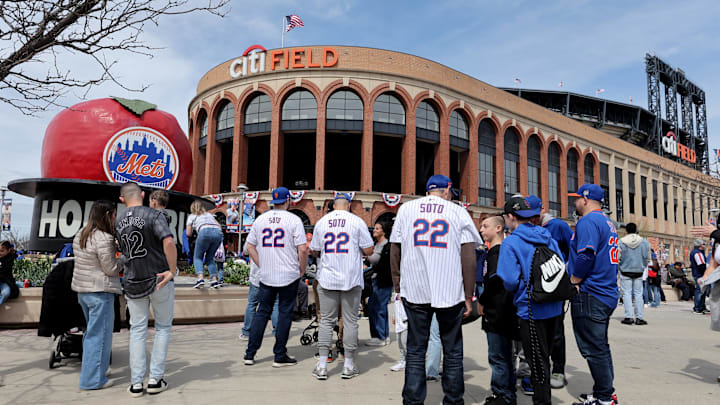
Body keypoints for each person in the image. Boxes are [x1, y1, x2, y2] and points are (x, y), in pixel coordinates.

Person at [389, 174, 482, 405]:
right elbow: (469, 256)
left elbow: (395, 250)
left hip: (415, 288)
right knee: (452, 349)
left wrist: (398, 283)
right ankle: (453, 400)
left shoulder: (407, 209)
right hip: (448, 289)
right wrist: (469, 294)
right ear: (447, 189)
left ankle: (412, 400)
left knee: (415, 349)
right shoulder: (457, 211)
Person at [497, 196, 563, 405]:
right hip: (553, 305)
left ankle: (542, 402)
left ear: (510, 217)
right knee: (545, 358)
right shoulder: (548, 237)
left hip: (530, 308)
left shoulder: (512, 242)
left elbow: (507, 279)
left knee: (537, 363)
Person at [116, 182, 177, 397]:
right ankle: (155, 379)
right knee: (162, 328)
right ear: (142, 195)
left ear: (122, 199)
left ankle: (136, 383)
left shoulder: (119, 221)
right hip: (158, 277)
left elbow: (122, 254)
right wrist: (172, 269)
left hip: (133, 281)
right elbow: (168, 241)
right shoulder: (154, 215)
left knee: (137, 331)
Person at [309, 193, 374, 380]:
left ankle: (322, 365)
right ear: (349, 204)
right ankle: (348, 365)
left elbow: (315, 249)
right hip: (351, 278)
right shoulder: (357, 221)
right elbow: (369, 250)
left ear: (332, 205)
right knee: (350, 321)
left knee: (326, 322)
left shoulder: (322, 222)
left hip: (328, 277)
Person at [244, 187, 308, 367]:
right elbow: (302, 249)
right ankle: (279, 354)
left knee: (262, 312)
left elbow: (249, 247)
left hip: (267, 274)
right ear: (288, 200)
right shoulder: (294, 220)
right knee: (285, 312)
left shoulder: (261, 219)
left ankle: (250, 353)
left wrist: (262, 264)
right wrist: (301, 270)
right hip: (288, 273)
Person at [566, 184, 619, 405]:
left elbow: (586, 254)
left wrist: (574, 280)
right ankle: (604, 392)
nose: (575, 202)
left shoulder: (588, 221)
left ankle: (605, 398)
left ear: (586, 200)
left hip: (591, 292)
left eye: (577, 199)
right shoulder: (608, 222)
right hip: (605, 291)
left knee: (593, 348)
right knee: (600, 347)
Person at [71, 200, 121, 390]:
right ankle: (92, 380)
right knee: (99, 336)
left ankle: (96, 371)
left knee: (92, 334)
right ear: (108, 215)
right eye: (115, 215)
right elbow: (110, 269)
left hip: (83, 291)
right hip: (101, 291)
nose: (116, 219)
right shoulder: (104, 238)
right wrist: (122, 258)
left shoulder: (81, 235)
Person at [532, 196, 573, 389]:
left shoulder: (557, 226)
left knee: (556, 330)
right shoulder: (527, 230)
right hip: (535, 288)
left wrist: (569, 276)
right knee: (536, 331)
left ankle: (558, 370)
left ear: (541, 211)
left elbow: (572, 250)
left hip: (554, 285)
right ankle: (539, 369)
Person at [478, 215, 518, 405]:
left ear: (499, 228)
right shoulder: (495, 251)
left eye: (486, 226)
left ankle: (501, 395)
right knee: (505, 356)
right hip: (502, 312)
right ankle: (507, 394)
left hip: (498, 313)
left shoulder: (498, 253)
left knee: (498, 356)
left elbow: (496, 282)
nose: (482, 230)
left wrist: (482, 301)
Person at [238, 243, 279, 340]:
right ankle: (278, 331)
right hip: (273, 275)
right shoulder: (277, 232)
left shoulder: (255, 232)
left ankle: (247, 331)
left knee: (252, 303)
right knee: (275, 304)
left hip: (257, 276)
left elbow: (246, 250)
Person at [366, 220, 394, 346]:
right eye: (374, 228)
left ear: (383, 231)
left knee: (377, 307)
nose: (374, 230)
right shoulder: (375, 244)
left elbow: (382, 263)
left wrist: (366, 257)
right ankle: (383, 335)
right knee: (377, 306)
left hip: (383, 280)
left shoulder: (387, 246)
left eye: (377, 228)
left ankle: (380, 336)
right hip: (375, 279)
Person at [617, 222, 650, 325]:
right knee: (638, 294)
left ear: (626, 231)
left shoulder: (621, 242)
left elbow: (618, 257)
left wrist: (619, 267)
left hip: (625, 270)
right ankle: (639, 317)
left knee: (626, 294)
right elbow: (647, 257)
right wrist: (643, 265)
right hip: (638, 270)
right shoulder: (644, 242)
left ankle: (629, 317)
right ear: (636, 230)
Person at [186, 201, 223, 289]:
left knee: (197, 257)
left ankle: (200, 279)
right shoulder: (209, 215)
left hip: (204, 231)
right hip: (218, 233)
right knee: (210, 258)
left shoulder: (192, 216)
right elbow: (219, 226)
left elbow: (188, 233)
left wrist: (194, 231)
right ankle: (214, 280)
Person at [690, 239, 710, 314]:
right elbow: (701, 265)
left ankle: (701, 306)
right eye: (703, 244)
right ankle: (698, 307)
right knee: (700, 291)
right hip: (700, 274)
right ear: (700, 245)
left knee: (702, 291)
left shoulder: (697, 252)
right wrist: (706, 272)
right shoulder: (697, 253)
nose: (705, 245)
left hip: (698, 273)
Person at [0, 240, 19, 306]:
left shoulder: (11, 259)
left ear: (8, 250)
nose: (0, 253)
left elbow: (4, 271)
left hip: (5, 282)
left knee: (6, 293)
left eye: (2, 251)